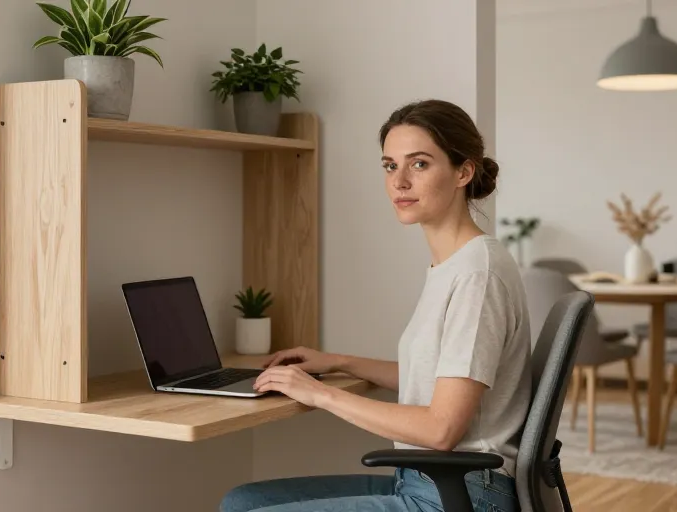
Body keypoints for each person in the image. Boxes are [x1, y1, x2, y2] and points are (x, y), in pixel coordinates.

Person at [219, 99, 532, 512]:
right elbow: (439, 380)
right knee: (241, 501)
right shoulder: (454, 264)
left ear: (464, 171)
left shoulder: (477, 275)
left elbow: (442, 429)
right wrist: (337, 361)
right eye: (389, 165)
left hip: (462, 495)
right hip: (430, 480)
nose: (399, 182)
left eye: (419, 164)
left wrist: (318, 395)